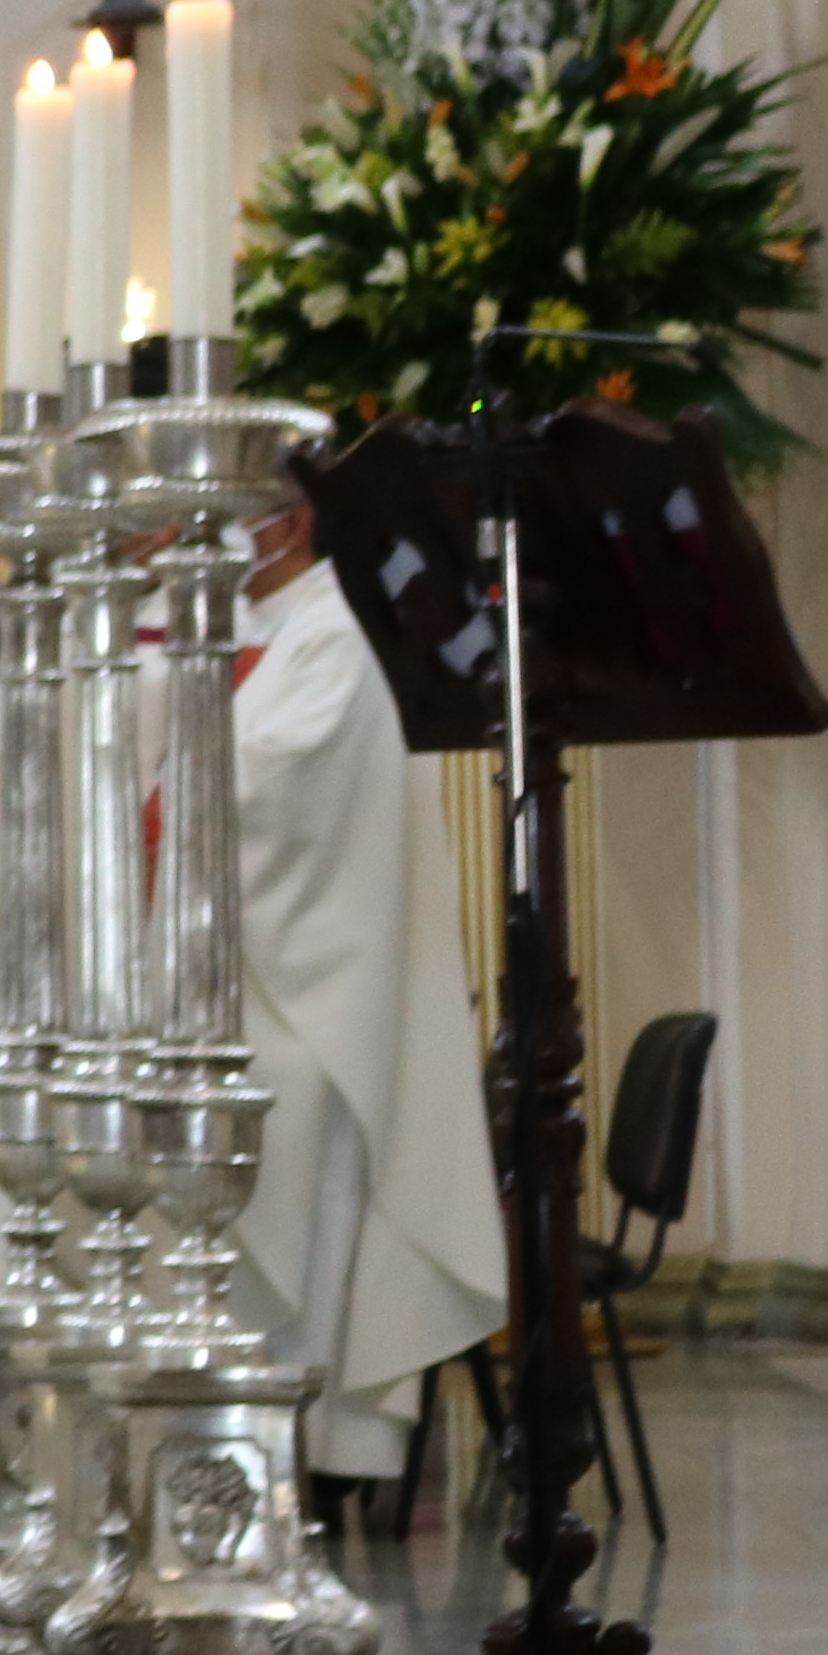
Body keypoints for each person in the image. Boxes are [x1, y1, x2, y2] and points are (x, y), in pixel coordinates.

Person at [228, 479, 503, 1478]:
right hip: (265, 979)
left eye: (226, 503)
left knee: (301, 1160)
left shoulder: (338, 634)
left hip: (322, 994)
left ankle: (304, 1449)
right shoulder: (259, 625)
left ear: (291, 521)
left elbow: (275, 791)